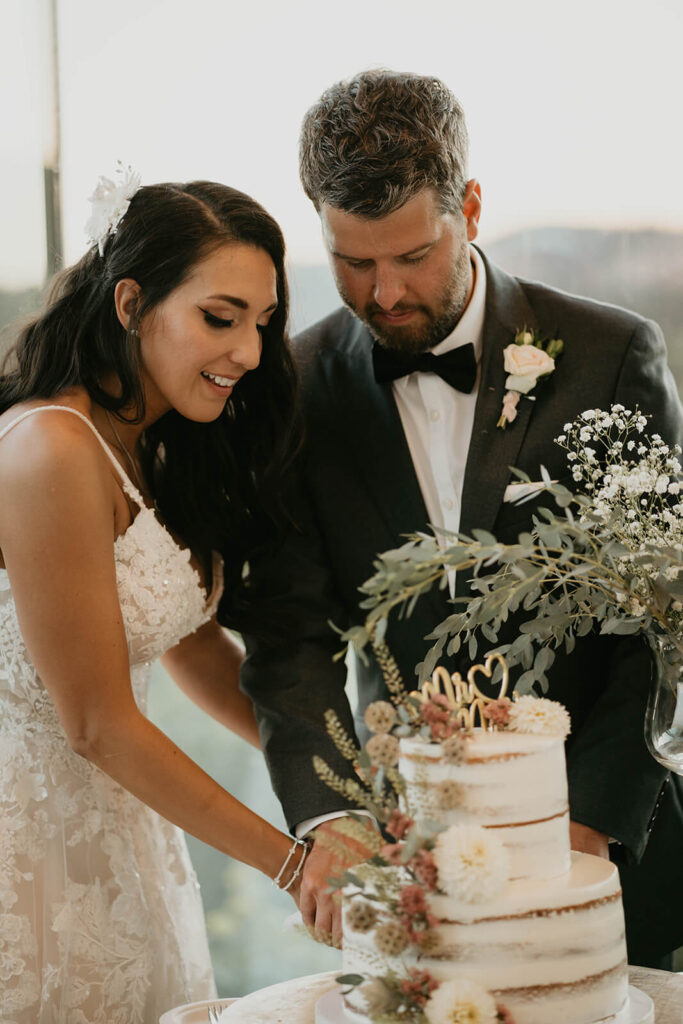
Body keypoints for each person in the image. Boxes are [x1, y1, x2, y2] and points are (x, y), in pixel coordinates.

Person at [236, 70, 683, 966]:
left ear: (469, 208)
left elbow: (662, 618)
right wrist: (331, 814)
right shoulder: (292, 392)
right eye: (352, 262)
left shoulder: (611, 356)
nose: (384, 293)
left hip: (616, 848)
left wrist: (591, 825)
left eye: (411, 255)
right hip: (418, 855)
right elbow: (290, 636)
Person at [0, 172, 316, 1023]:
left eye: (263, 322)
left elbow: (194, 646)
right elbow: (97, 722)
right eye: (220, 318)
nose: (249, 353)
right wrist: (296, 866)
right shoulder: (50, 450)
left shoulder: (153, 445)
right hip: (28, 852)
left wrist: (333, 778)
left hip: (130, 834)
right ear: (132, 302)